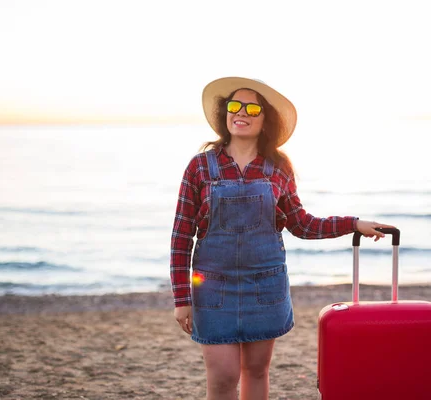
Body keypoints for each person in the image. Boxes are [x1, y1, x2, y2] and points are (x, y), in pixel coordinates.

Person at [170, 77, 396, 400]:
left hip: (266, 286)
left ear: (265, 121)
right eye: (235, 106)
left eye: (252, 108)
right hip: (213, 289)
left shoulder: (278, 167)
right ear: (225, 114)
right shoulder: (200, 167)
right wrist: (181, 298)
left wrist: (354, 224)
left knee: (257, 371)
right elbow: (181, 236)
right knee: (223, 378)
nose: (242, 113)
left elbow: (302, 224)